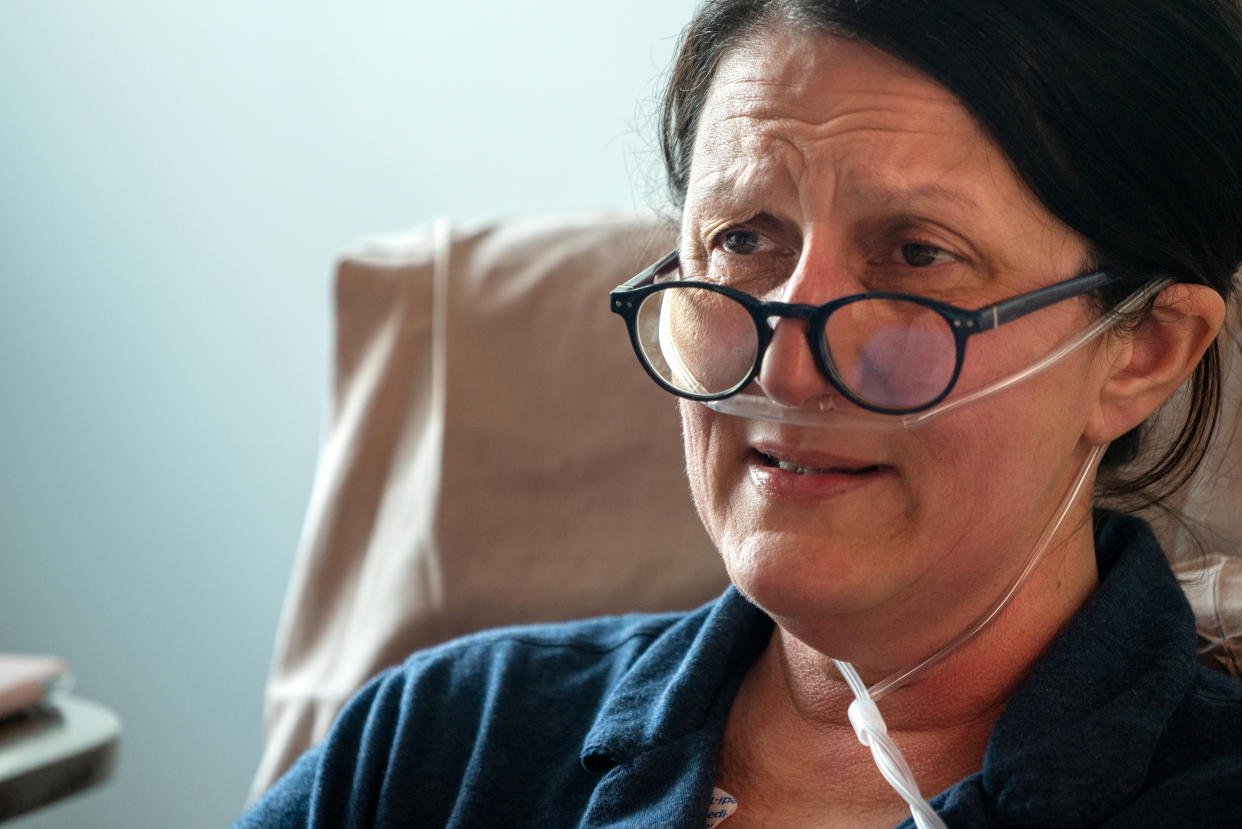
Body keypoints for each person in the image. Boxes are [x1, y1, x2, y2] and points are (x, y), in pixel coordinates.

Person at [236, 1, 1242, 826]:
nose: (788, 362)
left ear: (1142, 351)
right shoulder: (442, 744)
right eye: (745, 239)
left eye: (918, 254)